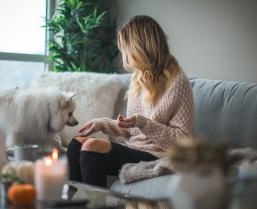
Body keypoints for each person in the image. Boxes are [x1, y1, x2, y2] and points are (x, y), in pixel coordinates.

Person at [67, 15, 195, 187]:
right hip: (134, 148)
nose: (124, 54)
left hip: (160, 156)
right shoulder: (138, 78)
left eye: (125, 48)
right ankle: (75, 206)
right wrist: (102, 124)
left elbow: (184, 141)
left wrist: (143, 123)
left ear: (139, 48)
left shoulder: (178, 82)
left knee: (92, 147)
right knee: (76, 143)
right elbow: (133, 132)